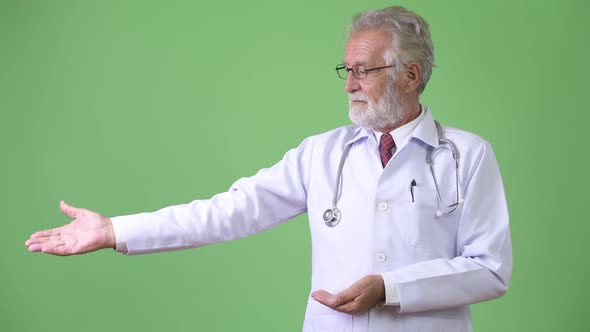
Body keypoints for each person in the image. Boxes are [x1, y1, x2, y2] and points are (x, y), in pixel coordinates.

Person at [25, 6, 512, 332]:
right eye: (347, 70)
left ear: (411, 74)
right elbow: (230, 211)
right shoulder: (321, 154)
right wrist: (115, 229)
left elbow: (490, 270)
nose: (350, 85)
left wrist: (390, 289)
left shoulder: (467, 155)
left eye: (365, 70)